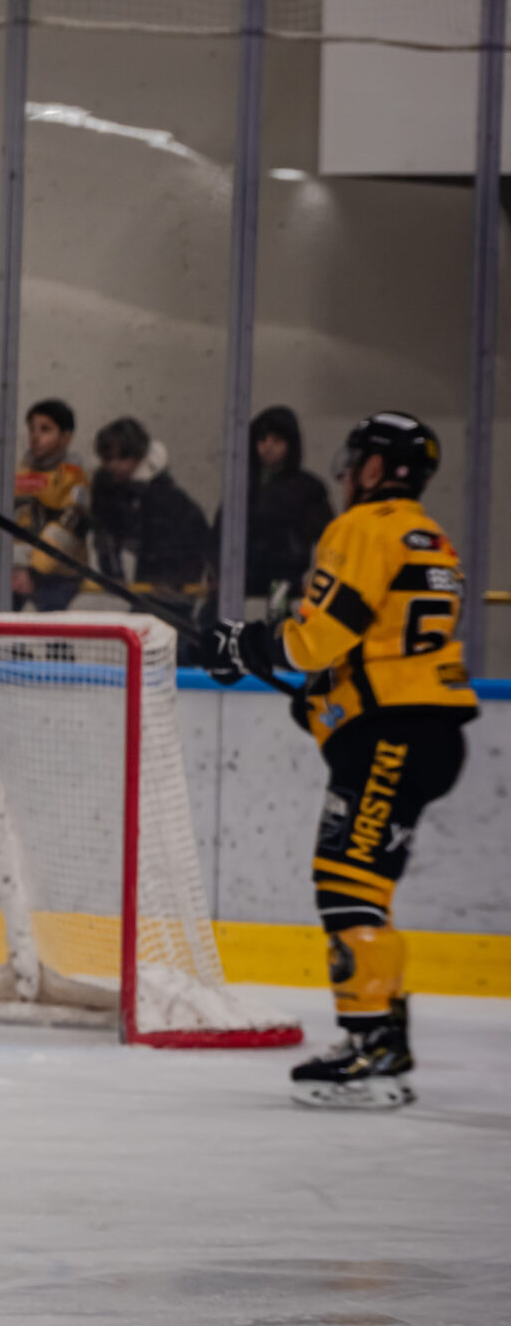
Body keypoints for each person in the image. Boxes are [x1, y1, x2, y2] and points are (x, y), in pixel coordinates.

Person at [203, 412, 478, 1109]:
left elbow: (320, 636)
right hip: (424, 729)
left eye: (358, 459)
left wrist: (252, 645)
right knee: (365, 883)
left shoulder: (361, 526)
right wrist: (327, 699)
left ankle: (369, 1042)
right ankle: (385, 1029)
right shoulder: (434, 538)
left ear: (380, 468)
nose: (348, 469)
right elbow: (381, 647)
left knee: (346, 882)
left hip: (395, 732)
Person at [0, 398, 89, 610]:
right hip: (16, 573)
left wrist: (35, 571)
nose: (35, 436)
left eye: (45, 429)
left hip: (57, 577)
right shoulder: (17, 476)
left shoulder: (73, 478)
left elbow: (67, 530)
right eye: (32, 428)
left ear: (65, 437)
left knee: (53, 632)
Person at [223, 405, 336, 610]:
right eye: (262, 440)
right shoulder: (243, 486)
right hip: (241, 586)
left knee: (277, 633)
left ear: (291, 444)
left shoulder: (307, 488)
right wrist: (216, 570)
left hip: (287, 587)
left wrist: (317, 574)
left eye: (276, 441)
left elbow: (329, 539)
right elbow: (221, 531)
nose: (267, 447)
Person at [90, 415, 212, 602]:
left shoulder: (164, 495)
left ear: (138, 456)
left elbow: (194, 536)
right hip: (151, 561)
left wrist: (174, 579)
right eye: (107, 459)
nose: (113, 465)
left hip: (181, 564)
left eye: (121, 457)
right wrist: (113, 574)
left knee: (167, 611)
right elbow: (104, 534)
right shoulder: (104, 484)